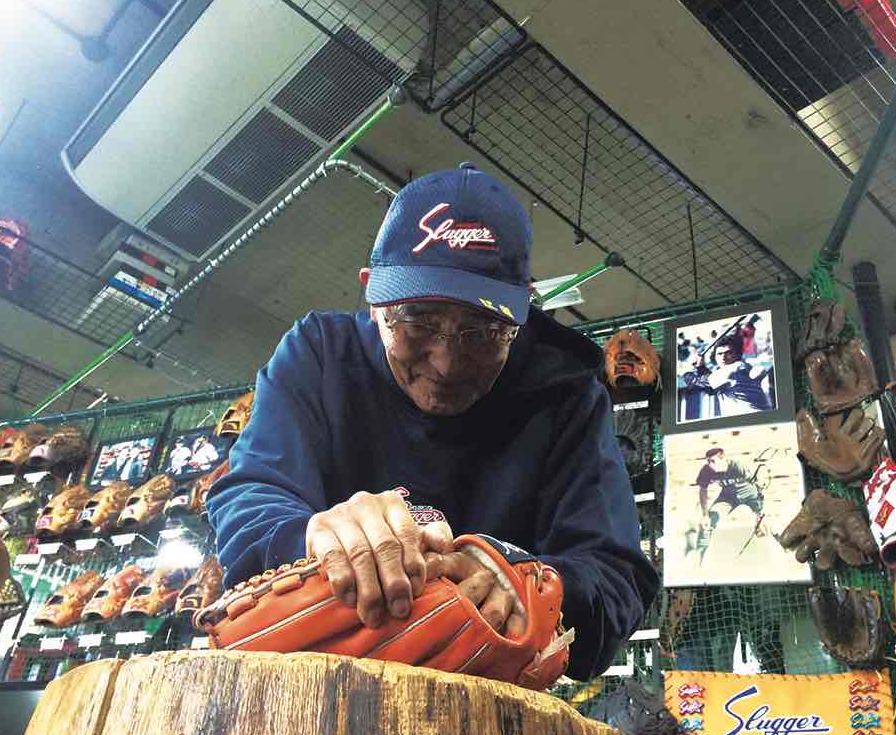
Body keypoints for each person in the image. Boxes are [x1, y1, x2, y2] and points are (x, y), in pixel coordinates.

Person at [207, 164, 659, 680]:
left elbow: (617, 577)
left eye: (484, 331)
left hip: (490, 710)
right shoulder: (317, 355)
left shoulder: (567, 393)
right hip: (312, 688)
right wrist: (311, 538)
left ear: (522, 311)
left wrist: (531, 581)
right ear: (372, 296)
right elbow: (251, 494)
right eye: (418, 320)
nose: (445, 363)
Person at [682, 333, 773, 418]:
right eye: (719, 354)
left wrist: (685, 370)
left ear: (738, 354)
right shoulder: (742, 367)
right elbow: (711, 387)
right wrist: (701, 367)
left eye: (728, 353)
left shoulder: (733, 369)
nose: (723, 357)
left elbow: (697, 384)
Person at [694, 447, 766, 543]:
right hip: (728, 496)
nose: (710, 464)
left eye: (713, 461)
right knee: (712, 517)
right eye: (708, 461)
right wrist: (705, 515)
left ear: (723, 458)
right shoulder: (706, 470)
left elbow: (757, 484)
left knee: (762, 523)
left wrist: (759, 515)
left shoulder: (737, 466)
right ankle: (702, 544)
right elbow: (703, 490)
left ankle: (765, 536)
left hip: (748, 494)